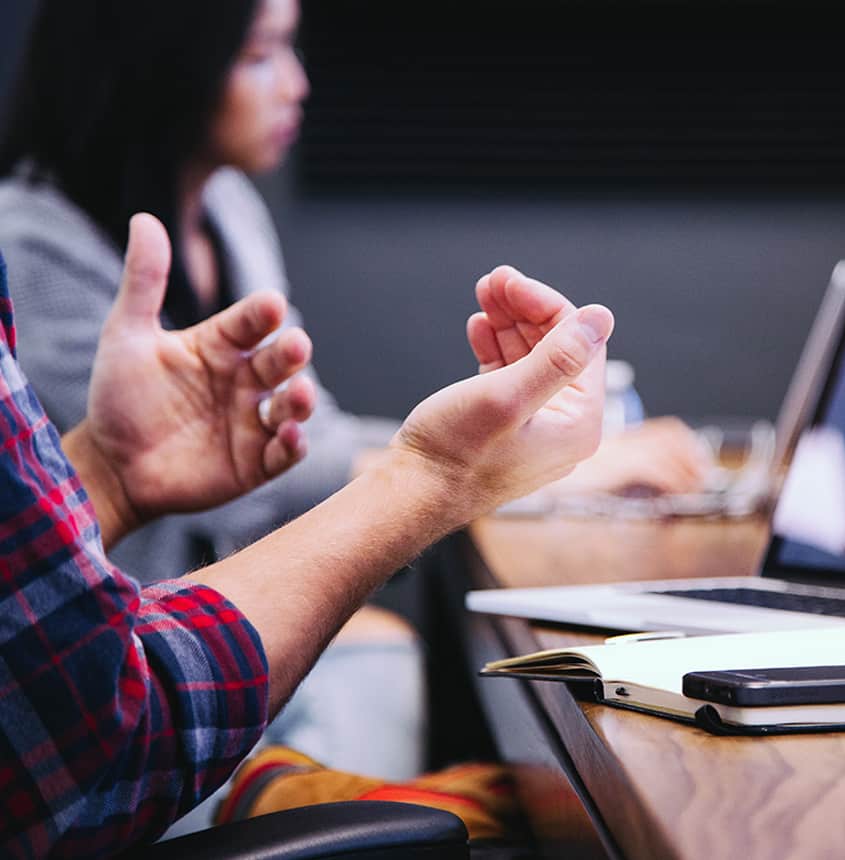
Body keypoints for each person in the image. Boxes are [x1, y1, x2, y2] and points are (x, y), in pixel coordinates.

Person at [0, 0, 708, 789]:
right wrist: (477, 468)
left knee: (388, 658)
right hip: (111, 686)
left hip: (186, 634)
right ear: (161, 65)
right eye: (261, 54)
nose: (298, 84)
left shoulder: (227, 210)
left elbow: (296, 437)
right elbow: (268, 482)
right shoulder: (28, 248)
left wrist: (110, 470)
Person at [0, 212, 615, 856]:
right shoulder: (37, 237)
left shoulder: (228, 209)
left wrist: (104, 475)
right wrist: (438, 476)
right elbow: (97, 731)